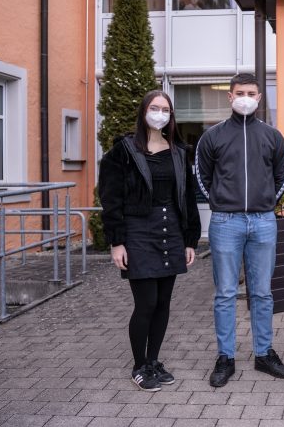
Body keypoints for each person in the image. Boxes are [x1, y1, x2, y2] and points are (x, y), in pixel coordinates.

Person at [99, 90, 201, 392]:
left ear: (171, 116)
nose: (160, 114)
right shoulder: (123, 151)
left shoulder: (178, 152)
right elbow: (110, 199)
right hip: (138, 233)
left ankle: (154, 360)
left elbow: (187, 198)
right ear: (143, 112)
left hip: (171, 232)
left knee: (163, 303)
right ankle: (139, 366)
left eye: (166, 109)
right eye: (155, 108)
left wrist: (190, 239)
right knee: (146, 303)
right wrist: (116, 242)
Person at [195, 73, 284, 388]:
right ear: (230, 96)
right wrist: (222, 203)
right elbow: (202, 177)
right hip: (226, 222)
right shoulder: (213, 136)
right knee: (225, 293)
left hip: (263, 221)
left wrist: (265, 205)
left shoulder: (273, 136)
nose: (245, 98)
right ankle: (226, 357)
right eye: (240, 93)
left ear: (259, 97)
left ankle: (264, 353)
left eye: (251, 93)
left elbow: (283, 176)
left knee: (262, 292)